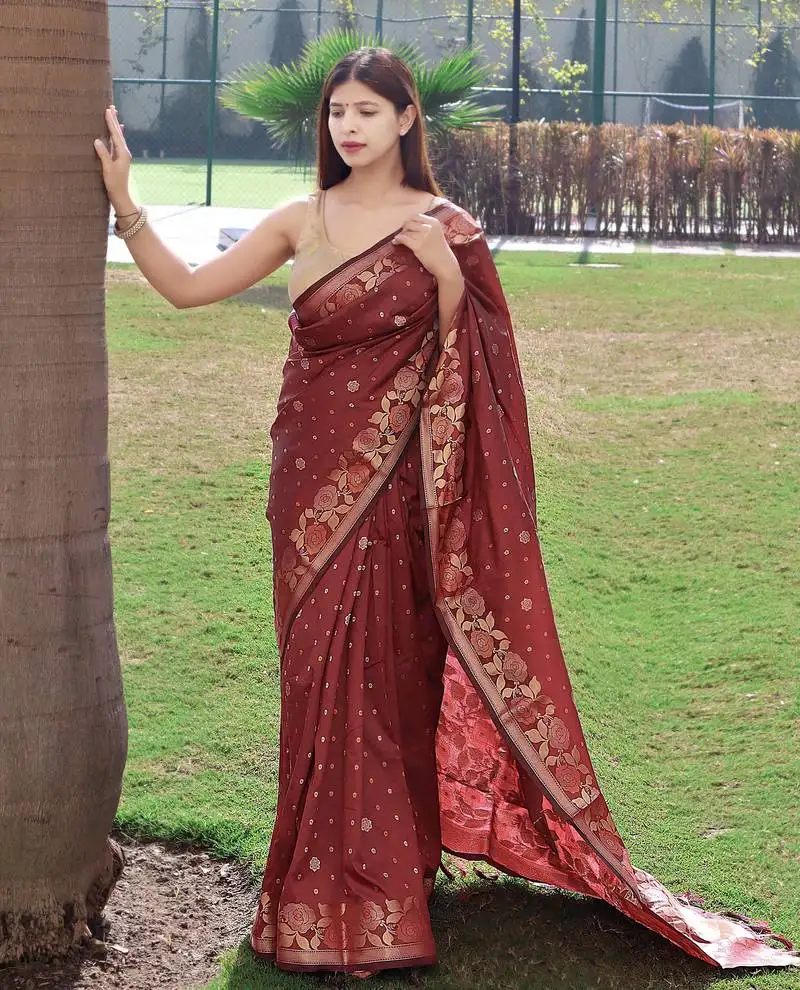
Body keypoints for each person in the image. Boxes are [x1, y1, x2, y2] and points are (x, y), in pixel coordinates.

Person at [94, 47, 799, 981]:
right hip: (310, 488)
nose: (349, 127)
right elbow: (186, 289)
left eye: (367, 111)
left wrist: (450, 279)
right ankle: (313, 890)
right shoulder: (302, 218)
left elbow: (482, 363)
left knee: (390, 680)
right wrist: (128, 203)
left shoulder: (446, 230)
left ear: (406, 119)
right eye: (338, 112)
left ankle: (387, 888)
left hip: (402, 498)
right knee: (317, 680)